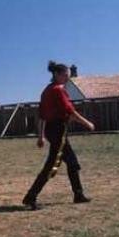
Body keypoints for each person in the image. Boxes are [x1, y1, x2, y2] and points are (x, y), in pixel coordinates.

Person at [22, 61, 95, 210]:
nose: (67, 78)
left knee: (72, 163)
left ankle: (78, 194)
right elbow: (70, 111)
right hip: (58, 131)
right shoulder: (57, 90)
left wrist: (41, 136)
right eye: (65, 75)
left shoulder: (46, 90)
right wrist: (87, 123)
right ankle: (30, 197)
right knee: (51, 166)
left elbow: (42, 115)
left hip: (52, 130)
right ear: (56, 74)